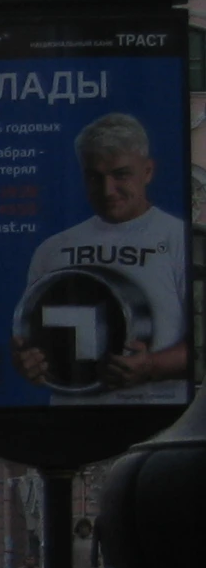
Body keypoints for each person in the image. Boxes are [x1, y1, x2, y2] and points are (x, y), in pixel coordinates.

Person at [10, 112, 190, 403]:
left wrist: (152, 366)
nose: (107, 190)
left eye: (121, 174)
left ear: (148, 171)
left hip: (158, 422)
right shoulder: (52, 249)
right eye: (95, 177)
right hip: (72, 425)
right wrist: (25, 360)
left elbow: (200, 340)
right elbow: (26, 335)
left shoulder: (180, 239)